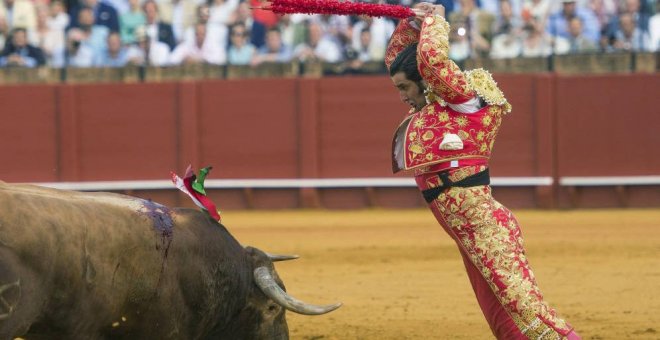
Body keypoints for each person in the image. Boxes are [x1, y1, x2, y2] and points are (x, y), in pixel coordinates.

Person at [385, 3, 581, 339]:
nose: (403, 97)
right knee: (501, 318)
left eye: (405, 88)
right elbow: (397, 60)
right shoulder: (441, 101)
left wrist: (435, 20)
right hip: (468, 229)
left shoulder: (463, 96)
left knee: (527, 311)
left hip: (484, 229)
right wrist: (411, 22)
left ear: (426, 82)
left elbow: (430, 61)